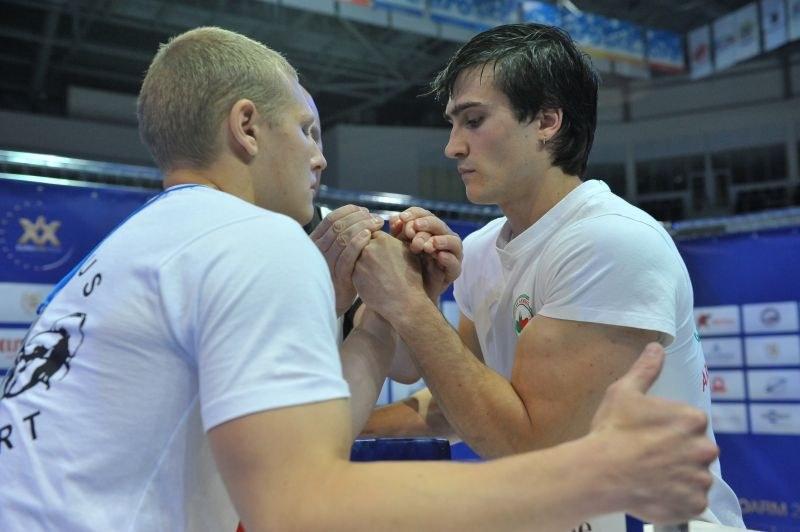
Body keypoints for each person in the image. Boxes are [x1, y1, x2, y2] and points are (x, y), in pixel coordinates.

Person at [0, 26, 719, 532]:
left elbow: (347, 441)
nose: (320, 158)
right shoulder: (254, 239)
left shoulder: (137, 243)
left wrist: (387, 311)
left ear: (548, 122)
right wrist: (600, 472)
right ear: (246, 128)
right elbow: (300, 503)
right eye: (308, 131)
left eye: (473, 120)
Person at [355, 23, 745, 529]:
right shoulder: (481, 249)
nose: (452, 146)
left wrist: (410, 305)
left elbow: (533, 443)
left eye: (474, 120)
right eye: (453, 124)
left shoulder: (611, 240)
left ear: (546, 121)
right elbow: (461, 406)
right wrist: (341, 428)